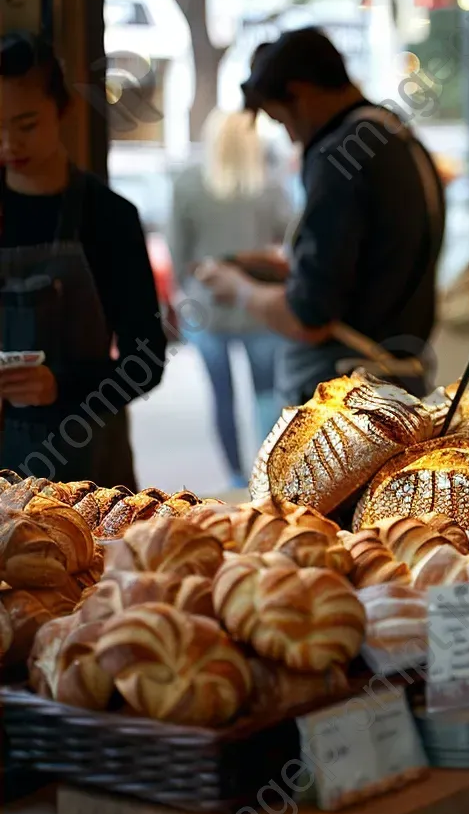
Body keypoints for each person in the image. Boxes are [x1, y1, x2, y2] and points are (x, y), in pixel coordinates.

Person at [196, 28, 444, 403]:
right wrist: (286, 270)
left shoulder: (338, 155)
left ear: (300, 93)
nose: (291, 138)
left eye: (281, 120)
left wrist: (238, 288)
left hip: (344, 401)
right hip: (402, 386)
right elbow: (374, 269)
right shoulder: (396, 135)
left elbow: (309, 318)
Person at [0, 33, 165, 484]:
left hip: (89, 466)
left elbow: (145, 361)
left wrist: (63, 387)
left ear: (63, 110)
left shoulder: (108, 217)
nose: (9, 144)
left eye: (26, 124)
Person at [169, 109, 293, 484]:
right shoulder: (270, 185)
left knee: (221, 397)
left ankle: (237, 478)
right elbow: (288, 238)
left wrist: (183, 289)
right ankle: (267, 476)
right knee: (267, 396)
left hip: (206, 307)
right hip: (258, 306)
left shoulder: (188, 183)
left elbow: (178, 250)